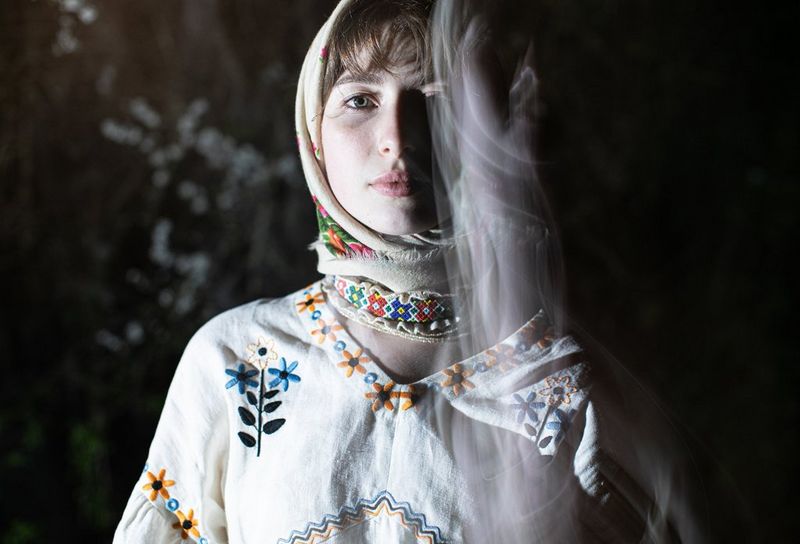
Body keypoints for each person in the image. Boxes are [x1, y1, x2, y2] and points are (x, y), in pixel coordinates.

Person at [114, 0, 705, 542]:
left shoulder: (565, 390)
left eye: (438, 99)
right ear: (314, 131)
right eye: (360, 101)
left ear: (481, 131)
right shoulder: (237, 361)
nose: (397, 138)